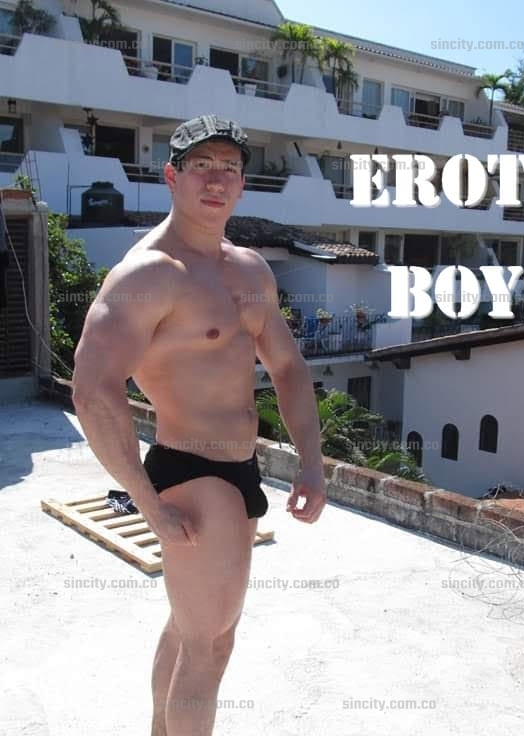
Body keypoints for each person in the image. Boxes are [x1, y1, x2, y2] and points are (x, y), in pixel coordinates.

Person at [72, 114, 326, 736]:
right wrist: (148, 504)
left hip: (241, 469)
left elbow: (288, 367)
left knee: (192, 631)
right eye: (201, 166)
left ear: (242, 183)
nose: (216, 180)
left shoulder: (250, 270)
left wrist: (313, 462)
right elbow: (93, 388)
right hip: (193, 472)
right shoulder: (150, 274)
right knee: (211, 646)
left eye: (229, 169)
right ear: (172, 176)